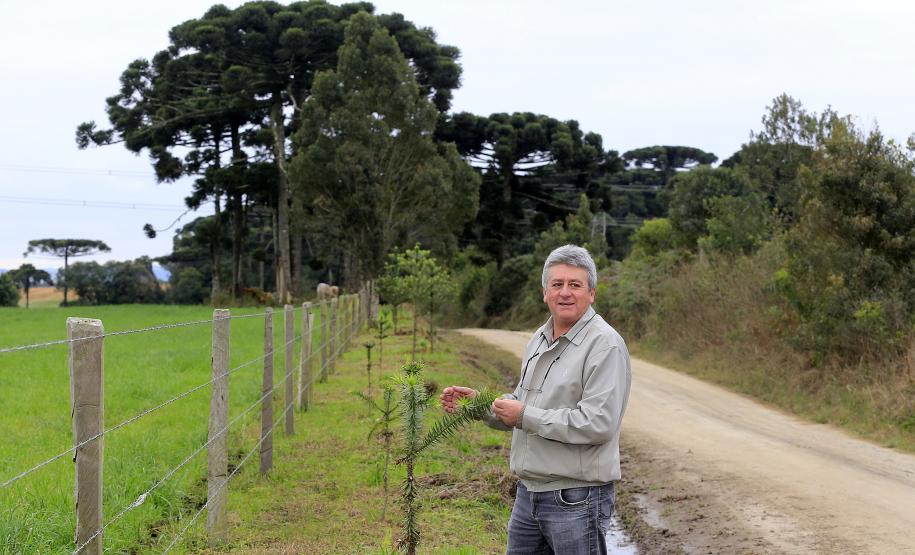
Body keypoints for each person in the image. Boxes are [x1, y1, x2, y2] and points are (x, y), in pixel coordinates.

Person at [441, 244, 632, 555]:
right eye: (557, 284)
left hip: (577, 498)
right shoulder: (539, 338)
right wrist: (479, 405)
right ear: (545, 292)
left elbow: (598, 424)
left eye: (575, 284)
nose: (565, 293)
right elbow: (521, 402)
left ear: (592, 293)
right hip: (528, 495)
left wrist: (524, 415)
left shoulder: (605, 345)